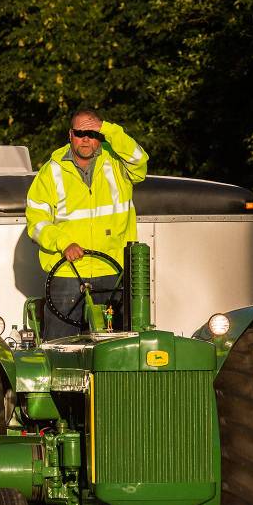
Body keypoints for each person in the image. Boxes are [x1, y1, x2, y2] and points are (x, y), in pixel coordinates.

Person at [26, 108, 149, 339]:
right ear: (70, 134)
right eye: (80, 132)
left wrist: (108, 128)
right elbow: (36, 222)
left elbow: (139, 159)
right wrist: (64, 243)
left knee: (119, 346)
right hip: (66, 273)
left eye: (92, 133)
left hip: (113, 272)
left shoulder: (117, 162)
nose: (86, 138)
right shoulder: (50, 172)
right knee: (60, 345)